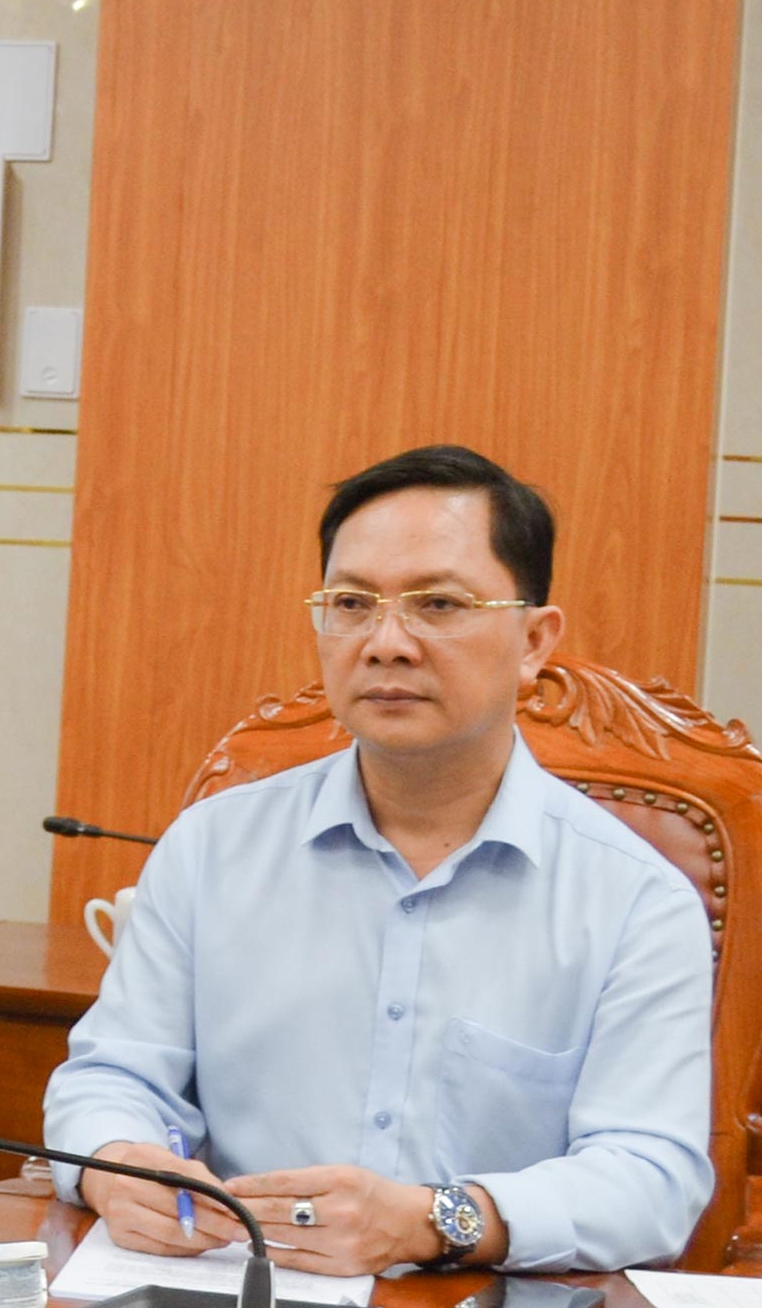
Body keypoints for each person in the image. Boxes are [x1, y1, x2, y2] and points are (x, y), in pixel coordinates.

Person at [43, 445, 713, 1274]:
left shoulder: (635, 899)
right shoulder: (213, 848)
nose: (386, 642)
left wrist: (439, 1219)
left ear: (535, 639)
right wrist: (120, 1162)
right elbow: (109, 1075)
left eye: (439, 603)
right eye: (352, 603)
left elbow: (651, 1178)